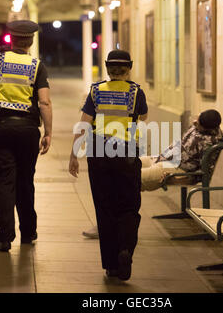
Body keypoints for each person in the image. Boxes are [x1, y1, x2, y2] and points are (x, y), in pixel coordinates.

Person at [0, 20, 52, 252]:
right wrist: (48, 132)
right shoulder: (37, 66)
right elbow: (44, 102)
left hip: (2, 130)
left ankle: (4, 238)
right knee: (25, 181)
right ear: (31, 41)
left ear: (11, 39)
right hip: (28, 132)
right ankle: (28, 231)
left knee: (4, 183)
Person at [82, 109, 223, 239]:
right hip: (161, 159)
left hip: (175, 169)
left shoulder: (210, 141)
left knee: (124, 182)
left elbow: (197, 169)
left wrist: (177, 174)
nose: (194, 123)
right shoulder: (201, 127)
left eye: (198, 123)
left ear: (206, 128)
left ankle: (108, 227)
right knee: (121, 166)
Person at [69, 50, 148, 281]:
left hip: (98, 152)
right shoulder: (136, 93)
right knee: (129, 207)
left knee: (104, 208)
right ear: (129, 68)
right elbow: (141, 123)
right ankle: (125, 249)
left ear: (107, 69)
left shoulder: (96, 91)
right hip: (126, 153)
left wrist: (74, 155)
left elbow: (84, 124)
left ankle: (112, 265)